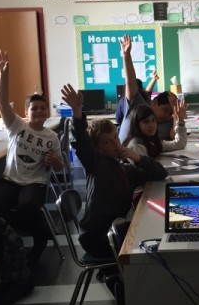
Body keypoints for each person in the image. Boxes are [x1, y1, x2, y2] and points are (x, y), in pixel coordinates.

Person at [60, 84, 168, 258]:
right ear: (97, 148)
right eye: (107, 142)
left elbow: (160, 173)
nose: (115, 144)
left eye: (115, 138)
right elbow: (81, 142)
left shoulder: (123, 168)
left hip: (113, 227)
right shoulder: (96, 163)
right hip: (97, 235)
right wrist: (77, 112)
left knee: (152, 229)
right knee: (149, 238)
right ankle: (121, 273)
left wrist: (138, 157)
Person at [0, 51, 63, 266]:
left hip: (35, 183)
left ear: (47, 111)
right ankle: (28, 234)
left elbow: (59, 167)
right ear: (26, 111)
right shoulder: (16, 126)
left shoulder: (52, 137)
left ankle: (39, 239)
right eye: (34, 108)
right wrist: (3, 74)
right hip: (11, 180)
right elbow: (2, 102)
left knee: (27, 206)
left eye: (43, 108)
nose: (39, 111)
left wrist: (54, 162)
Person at [117, 35, 175, 143]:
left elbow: (174, 138)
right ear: (155, 103)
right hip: (126, 152)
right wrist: (126, 55)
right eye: (166, 110)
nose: (168, 116)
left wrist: (177, 117)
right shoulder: (139, 108)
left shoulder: (168, 120)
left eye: (171, 113)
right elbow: (131, 82)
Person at [123, 102, 187, 159]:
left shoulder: (152, 140)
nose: (151, 125)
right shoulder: (137, 145)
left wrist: (180, 121)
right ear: (136, 125)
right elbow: (146, 167)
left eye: (153, 120)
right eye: (146, 122)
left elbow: (179, 144)